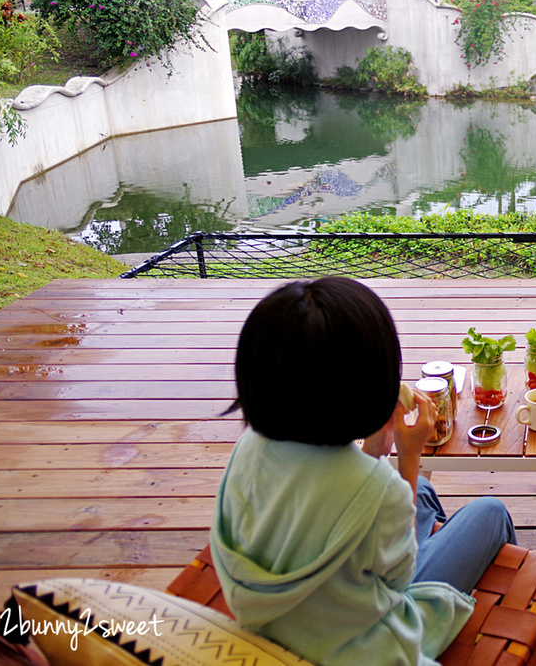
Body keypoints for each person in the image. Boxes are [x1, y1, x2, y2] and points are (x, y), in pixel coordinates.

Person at [209, 276, 517, 666]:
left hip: (276, 617)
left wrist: (376, 451)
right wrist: (408, 456)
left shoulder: (247, 449)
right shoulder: (379, 488)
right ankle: (500, 609)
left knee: (419, 489)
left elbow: (334, 496)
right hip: (360, 639)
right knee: (489, 511)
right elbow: (399, 581)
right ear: (369, 384)